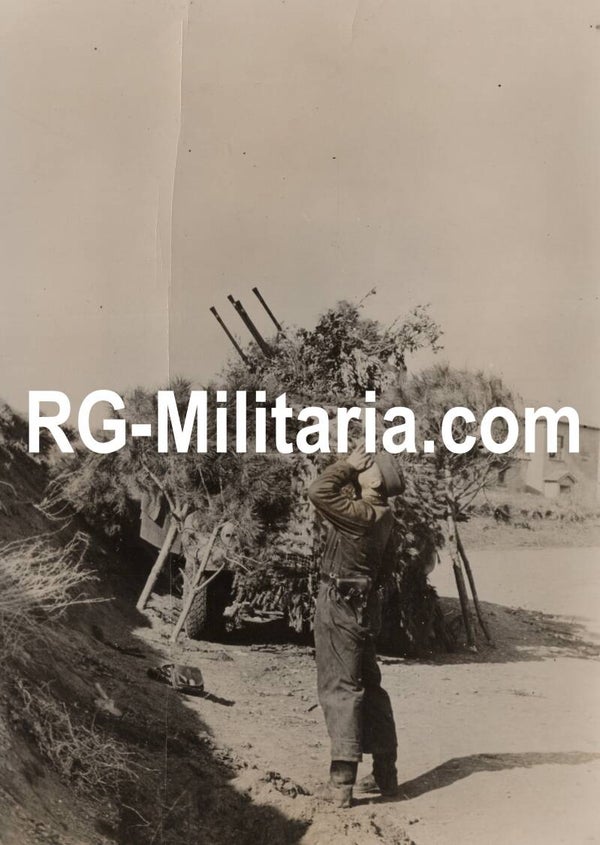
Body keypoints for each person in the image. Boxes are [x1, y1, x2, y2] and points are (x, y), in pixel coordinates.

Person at [308, 444, 405, 807]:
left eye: (369, 463)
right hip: (365, 605)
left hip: (341, 603)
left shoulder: (361, 514)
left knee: (340, 687)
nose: (362, 461)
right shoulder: (385, 515)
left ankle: (342, 783)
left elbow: (318, 491)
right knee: (372, 687)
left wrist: (346, 466)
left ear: (375, 479)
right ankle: (386, 775)